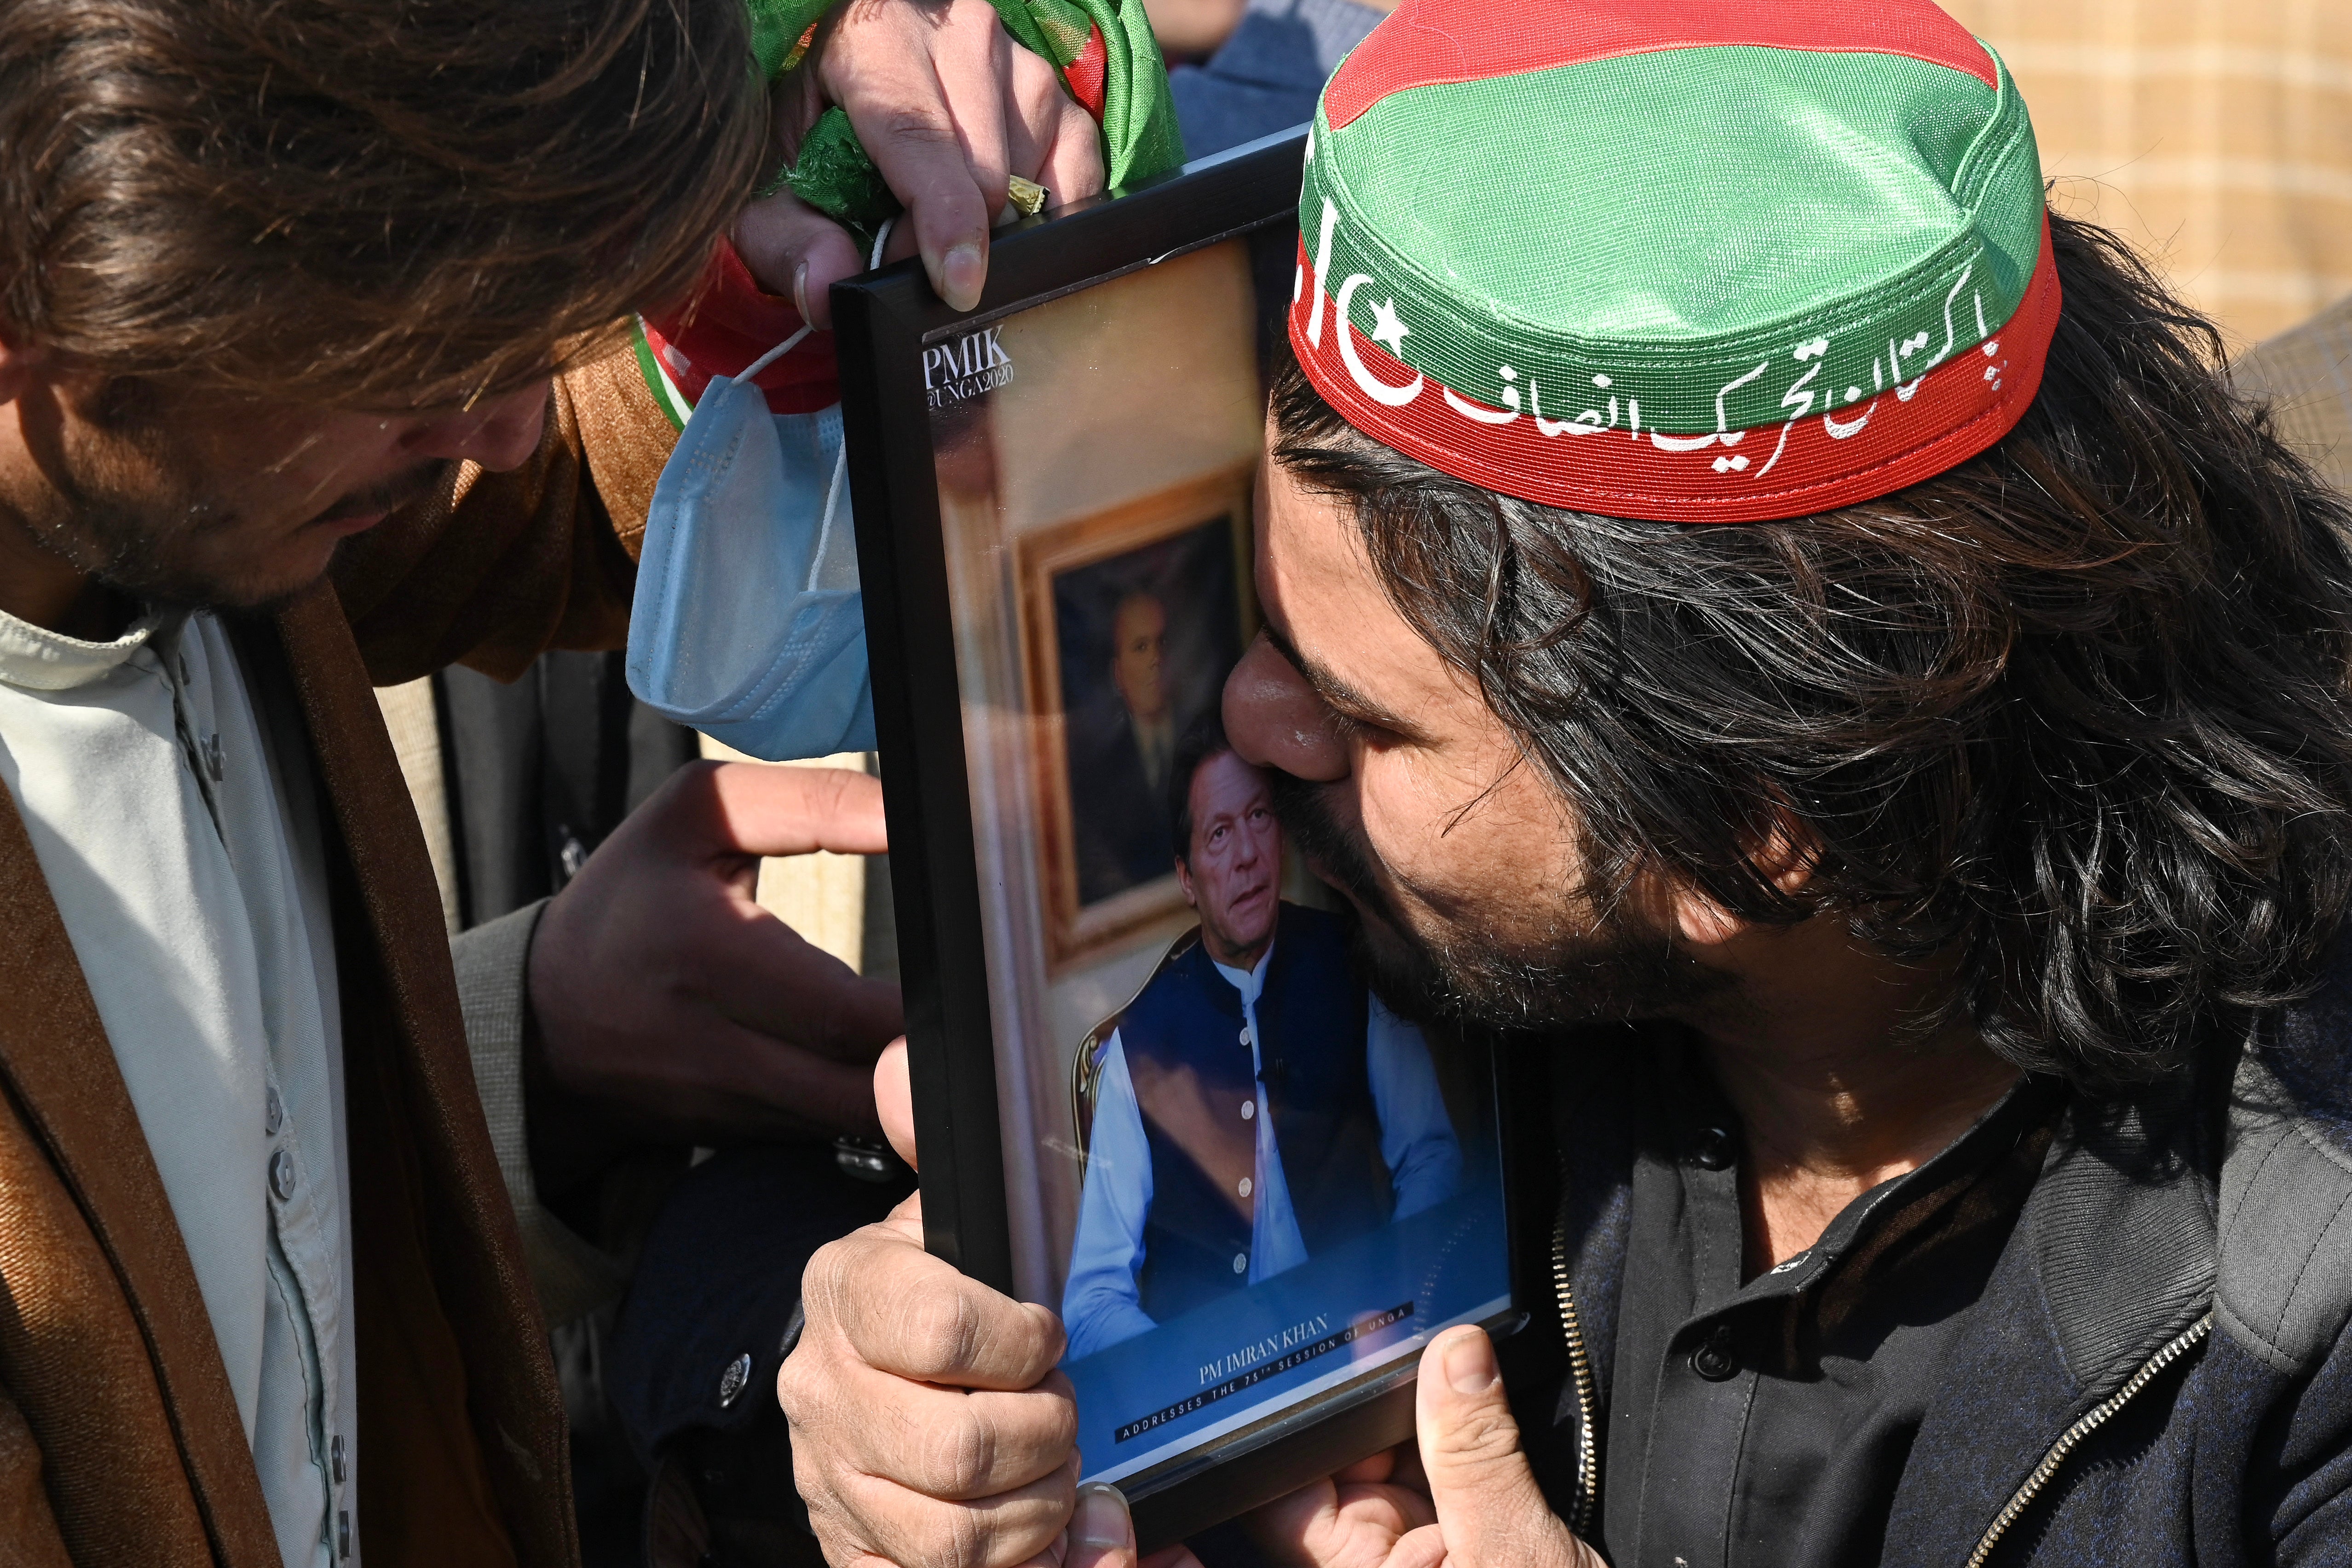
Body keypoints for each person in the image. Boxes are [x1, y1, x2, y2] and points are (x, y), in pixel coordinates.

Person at [775, 2, 2352, 1565]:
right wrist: (905, 1416)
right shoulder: (1423, 984)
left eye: (1369, 721)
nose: (1251, 724)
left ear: (1757, 822)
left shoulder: (2304, 1307)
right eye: (1256, 622)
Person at [0, 0, 1118, 1561]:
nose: (502, 423)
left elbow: (578, 471)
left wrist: (835, 159)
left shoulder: (215, 471)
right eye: (404, 348)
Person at [1062, 720, 1458, 1358]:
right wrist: (1193, 1380)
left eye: (1260, 817)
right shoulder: (1138, 1051)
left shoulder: (1357, 965)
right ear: (1188, 878)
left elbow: (1431, 1158)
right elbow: (1092, 1305)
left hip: (1364, 1350)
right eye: (1219, 835)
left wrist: (1399, 1296)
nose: (1247, 853)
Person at [1073, 591, 1186, 901]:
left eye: (1162, 643)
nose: (1155, 660)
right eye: (1141, 647)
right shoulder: (1097, 778)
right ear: (1118, 673)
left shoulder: (1212, 739)